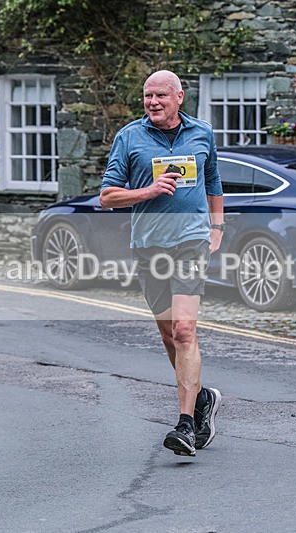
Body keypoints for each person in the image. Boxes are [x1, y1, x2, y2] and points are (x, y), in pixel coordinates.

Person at [100, 70, 223, 457]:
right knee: (169, 334)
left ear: (179, 97)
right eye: (147, 96)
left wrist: (216, 227)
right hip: (149, 246)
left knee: (185, 330)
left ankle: (186, 425)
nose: (153, 102)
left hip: (190, 242)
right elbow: (106, 196)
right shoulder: (129, 137)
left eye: (160, 96)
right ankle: (202, 398)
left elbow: (213, 184)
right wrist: (148, 191)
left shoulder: (202, 133)